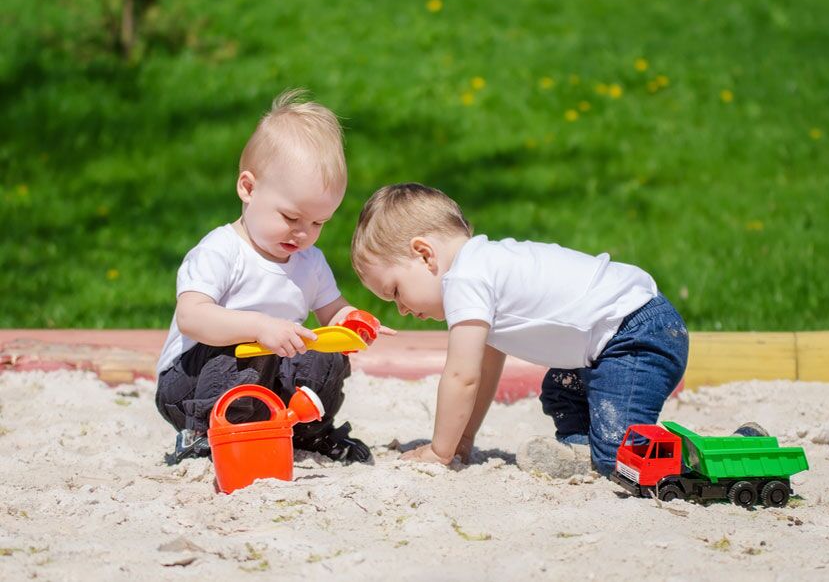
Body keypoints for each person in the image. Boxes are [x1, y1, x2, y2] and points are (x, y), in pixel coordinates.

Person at [349, 183, 690, 478]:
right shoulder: (483, 267)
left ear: (424, 255)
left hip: (636, 335)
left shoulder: (465, 279)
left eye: (395, 291)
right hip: (621, 335)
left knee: (622, 456)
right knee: (562, 391)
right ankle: (580, 450)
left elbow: (460, 377)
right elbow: (482, 371)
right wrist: (462, 440)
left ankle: (702, 460)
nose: (402, 309)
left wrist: (440, 451)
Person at [154, 89, 380, 465]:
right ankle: (201, 436)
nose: (303, 232)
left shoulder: (309, 261)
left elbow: (332, 312)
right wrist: (259, 327)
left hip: (267, 378)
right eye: (291, 218)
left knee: (325, 358)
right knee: (236, 357)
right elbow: (191, 317)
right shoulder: (222, 251)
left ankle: (308, 431)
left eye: (318, 222)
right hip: (194, 385)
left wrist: (353, 323)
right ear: (248, 188)